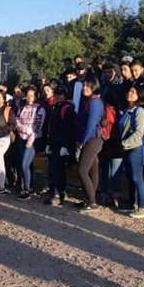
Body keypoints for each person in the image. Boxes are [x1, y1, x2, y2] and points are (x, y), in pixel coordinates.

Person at [119, 85, 144, 218]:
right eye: (129, 91)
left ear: (139, 95)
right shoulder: (127, 110)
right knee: (130, 177)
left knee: (137, 177)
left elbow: (139, 133)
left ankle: (143, 207)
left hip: (135, 148)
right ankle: (132, 204)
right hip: (125, 148)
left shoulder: (139, 112)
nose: (129, 94)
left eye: (133, 92)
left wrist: (125, 143)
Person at [43, 85, 76, 206]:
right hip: (54, 142)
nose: (57, 96)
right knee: (52, 170)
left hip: (61, 144)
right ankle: (54, 192)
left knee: (58, 170)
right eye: (56, 94)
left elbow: (68, 129)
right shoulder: (56, 107)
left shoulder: (67, 109)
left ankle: (59, 193)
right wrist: (49, 143)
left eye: (60, 94)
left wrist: (66, 146)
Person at [76, 79, 105, 212]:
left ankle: (92, 202)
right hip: (92, 138)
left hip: (92, 139)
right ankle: (90, 198)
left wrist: (82, 140)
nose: (85, 88)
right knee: (93, 169)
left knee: (82, 170)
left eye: (88, 86)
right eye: (84, 86)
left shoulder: (94, 102)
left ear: (94, 87)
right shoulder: (90, 101)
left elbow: (91, 124)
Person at [14, 86, 47, 200]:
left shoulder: (39, 109)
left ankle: (27, 189)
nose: (29, 98)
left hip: (33, 140)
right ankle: (27, 186)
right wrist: (23, 129)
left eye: (31, 96)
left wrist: (31, 138)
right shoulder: (22, 107)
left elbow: (38, 126)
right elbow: (17, 120)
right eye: (27, 95)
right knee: (25, 164)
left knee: (25, 164)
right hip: (21, 137)